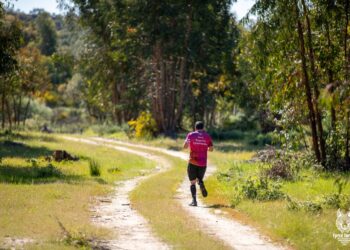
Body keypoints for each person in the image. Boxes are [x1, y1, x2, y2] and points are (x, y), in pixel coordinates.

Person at [183, 121, 213, 206]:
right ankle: (201, 183)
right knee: (199, 179)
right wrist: (204, 149)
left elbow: (185, 146)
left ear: (195, 127)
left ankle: (194, 201)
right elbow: (211, 149)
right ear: (203, 128)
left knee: (193, 182)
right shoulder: (207, 136)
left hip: (193, 161)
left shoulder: (191, 135)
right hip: (203, 163)